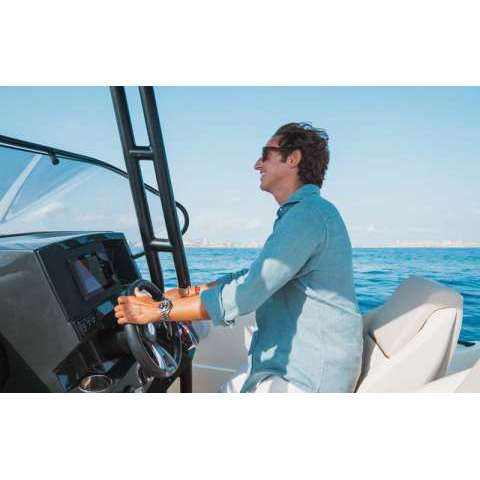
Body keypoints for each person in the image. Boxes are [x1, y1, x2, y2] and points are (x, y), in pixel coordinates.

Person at [115, 122, 363, 393]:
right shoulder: (307, 213)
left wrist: (156, 311)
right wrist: (186, 293)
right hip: (298, 364)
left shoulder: (307, 216)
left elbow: (246, 293)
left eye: (265, 154)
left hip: (307, 377)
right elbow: (254, 276)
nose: (257, 164)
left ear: (292, 159)